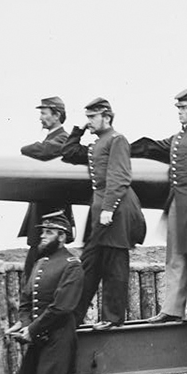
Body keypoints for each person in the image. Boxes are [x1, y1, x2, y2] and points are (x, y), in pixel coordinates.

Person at [5, 211, 84, 374]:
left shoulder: (72, 265)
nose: (42, 236)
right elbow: (26, 300)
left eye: (48, 232)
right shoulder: (41, 264)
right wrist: (25, 323)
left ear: (62, 237)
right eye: (43, 231)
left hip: (59, 340)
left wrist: (33, 329)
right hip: (39, 339)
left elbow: (62, 307)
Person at [131, 88, 187, 324]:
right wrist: (124, 148)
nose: (180, 113)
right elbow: (152, 147)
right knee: (175, 258)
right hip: (176, 205)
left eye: (184, 109)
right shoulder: (178, 138)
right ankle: (172, 309)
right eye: (179, 109)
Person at [61, 97, 146, 330]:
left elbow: (120, 176)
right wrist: (78, 129)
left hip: (116, 209)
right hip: (101, 209)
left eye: (92, 117)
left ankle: (113, 318)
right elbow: (68, 152)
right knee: (88, 264)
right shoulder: (97, 144)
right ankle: (73, 317)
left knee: (114, 266)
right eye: (87, 117)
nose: (88, 122)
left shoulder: (117, 140)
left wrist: (109, 208)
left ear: (106, 117)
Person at [18, 96, 76, 279]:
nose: (40, 118)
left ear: (56, 115)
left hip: (49, 226)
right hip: (44, 227)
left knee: (39, 279)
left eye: (43, 113)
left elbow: (41, 151)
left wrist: (25, 148)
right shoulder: (54, 139)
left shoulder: (62, 139)